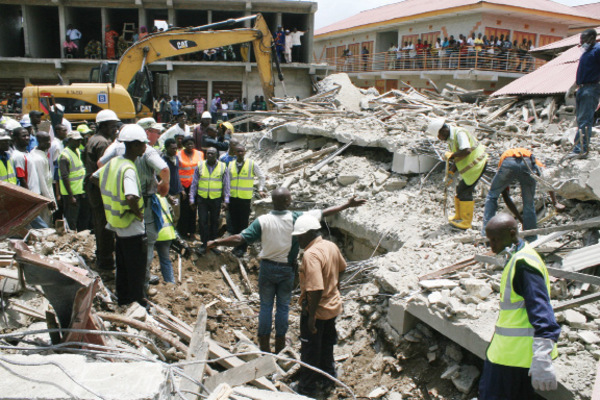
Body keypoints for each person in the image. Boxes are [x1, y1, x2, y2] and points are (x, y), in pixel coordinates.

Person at [207, 187, 365, 354]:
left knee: (266, 307)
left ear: (273, 201)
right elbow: (324, 212)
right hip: (287, 270)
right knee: (283, 308)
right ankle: (280, 347)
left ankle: (264, 347)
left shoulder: (263, 221)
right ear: (287, 202)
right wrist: (346, 205)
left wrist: (217, 242)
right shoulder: (297, 218)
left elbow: (240, 238)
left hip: (267, 268)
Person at [479, 213, 560, 399]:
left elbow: (541, 308)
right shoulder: (519, 255)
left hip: (513, 359)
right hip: (509, 355)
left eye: (495, 240)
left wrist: (542, 356)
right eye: (489, 241)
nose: (492, 247)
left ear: (512, 232)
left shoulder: (524, 265)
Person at [98, 118, 170, 295]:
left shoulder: (116, 151)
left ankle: (124, 289)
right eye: (153, 132)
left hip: (117, 211)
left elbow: (100, 166)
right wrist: (164, 186)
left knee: (123, 252)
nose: (156, 135)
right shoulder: (146, 153)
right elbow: (165, 170)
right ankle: (141, 290)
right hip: (140, 205)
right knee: (144, 249)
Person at [92, 124, 148, 308]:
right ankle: (138, 302)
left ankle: (124, 299)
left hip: (116, 223)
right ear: (133, 146)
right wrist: (137, 212)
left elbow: (94, 177)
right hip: (131, 224)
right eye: (142, 144)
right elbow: (131, 196)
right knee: (136, 268)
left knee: (122, 265)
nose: (145, 147)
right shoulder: (128, 169)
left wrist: (110, 197)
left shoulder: (114, 162)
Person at [291, 213, 346, 398]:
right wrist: (336, 288)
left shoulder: (311, 254)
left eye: (299, 236)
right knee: (326, 345)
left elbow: (315, 288)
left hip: (317, 310)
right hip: (333, 306)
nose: (298, 240)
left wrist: (311, 317)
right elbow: (342, 268)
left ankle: (306, 388)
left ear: (309, 233)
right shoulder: (330, 246)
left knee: (310, 350)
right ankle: (328, 379)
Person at [482, 148, 566, 241]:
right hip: (527, 163)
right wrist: (555, 202)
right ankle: (531, 238)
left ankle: (486, 235)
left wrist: (520, 219)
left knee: (492, 196)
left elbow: (506, 196)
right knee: (529, 204)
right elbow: (546, 178)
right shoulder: (531, 157)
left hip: (508, 163)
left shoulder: (504, 157)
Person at [428, 118, 488, 230]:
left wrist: (451, 155)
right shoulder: (451, 139)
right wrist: (452, 172)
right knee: (460, 190)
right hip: (471, 167)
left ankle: (466, 222)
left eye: (439, 136)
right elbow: (458, 158)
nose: (439, 139)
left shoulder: (459, 133)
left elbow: (466, 151)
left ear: (443, 131)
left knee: (465, 191)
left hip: (478, 164)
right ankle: (459, 216)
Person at [84, 109, 120, 270]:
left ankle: (102, 256)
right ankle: (105, 261)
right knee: (105, 225)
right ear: (104, 125)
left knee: (99, 223)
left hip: (94, 189)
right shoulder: (103, 143)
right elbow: (105, 170)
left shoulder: (93, 139)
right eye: (113, 126)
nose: (115, 129)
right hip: (100, 189)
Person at [565, 28, 600, 158]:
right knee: (580, 120)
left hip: (591, 88)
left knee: (585, 120)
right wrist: (573, 87)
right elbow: (583, 72)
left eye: (584, 40)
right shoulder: (586, 52)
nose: (581, 43)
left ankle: (581, 150)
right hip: (582, 88)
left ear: (592, 38)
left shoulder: (597, 50)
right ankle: (578, 147)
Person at [227, 144, 266, 257]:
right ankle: (235, 246)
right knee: (234, 223)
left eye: (242, 151)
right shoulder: (231, 165)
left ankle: (242, 248)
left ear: (245, 152)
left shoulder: (251, 164)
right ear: (234, 153)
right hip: (233, 198)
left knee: (243, 224)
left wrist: (261, 189)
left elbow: (261, 177)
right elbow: (227, 181)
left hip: (245, 198)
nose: (240, 153)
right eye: (238, 151)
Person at [190, 147, 230, 255]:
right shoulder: (200, 166)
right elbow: (194, 184)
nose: (210, 155)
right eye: (208, 153)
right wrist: (192, 198)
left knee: (214, 222)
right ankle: (204, 244)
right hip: (202, 199)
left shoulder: (222, 167)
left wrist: (226, 200)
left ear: (216, 155)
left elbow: (226, 185)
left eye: (212, 154)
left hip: (215, 199)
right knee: (202, 222)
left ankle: (212, 244)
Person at [28, 131, 57, 227]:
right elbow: (42, 181)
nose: (49, 143)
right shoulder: (37, 158)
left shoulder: (40, 154)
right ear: (39, 142)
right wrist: (49, 200)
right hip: (43, 196)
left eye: (49, 141)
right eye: (45, 141)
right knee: (45, 224)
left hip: (46, 194)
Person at [177, 136, 204, 239]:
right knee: (183, 210)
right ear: (184, 145)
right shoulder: (178, 154)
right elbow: (176, 172)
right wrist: (181, 188)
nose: (190, 146)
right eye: (187, 144)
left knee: (193, 209)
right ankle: (183, 232)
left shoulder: (200, 154)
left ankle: (192, 232)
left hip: (196, 186)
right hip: (183, 186)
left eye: (192, 143)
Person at [58, 130, 85, 230]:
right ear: (69, 140)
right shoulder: (64, 156)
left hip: (80, 191)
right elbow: (65, 177)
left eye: (79, 140)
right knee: (71, 220)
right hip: (71, 193)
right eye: (76, 140)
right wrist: (71, 196)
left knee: (80, 219)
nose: (79, 142)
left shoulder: (77, 151)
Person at [162, 138, 184, 226]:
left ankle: (174, 236)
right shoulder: (162, 161)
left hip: (176, 193)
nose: (175, 150)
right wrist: (167, 195)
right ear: (167, 148)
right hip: (168, 194)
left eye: (176, 148)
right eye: (172, 148)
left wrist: (181, 188)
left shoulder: (176, 158)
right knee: (168, 216)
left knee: (176, 215)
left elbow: (176, 174)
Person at [155, 194, 176, 284]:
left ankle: (144, 285)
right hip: (167, 233)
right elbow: (173, 215)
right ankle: (170, 283)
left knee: (146, 261)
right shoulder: (163, 198)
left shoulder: (148, 198)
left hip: (155, 233)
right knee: (165, 260)